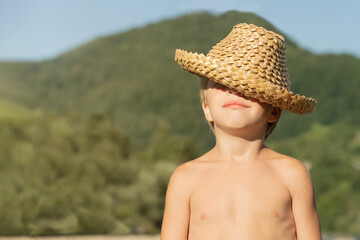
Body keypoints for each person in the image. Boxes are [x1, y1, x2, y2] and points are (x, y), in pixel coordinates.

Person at [160, 23, 321, 240]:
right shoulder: (186, 178)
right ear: (207, 108)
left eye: (248, 87)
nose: (233, 90)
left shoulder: (291, 173)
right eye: (221, 82)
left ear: (274, 111)